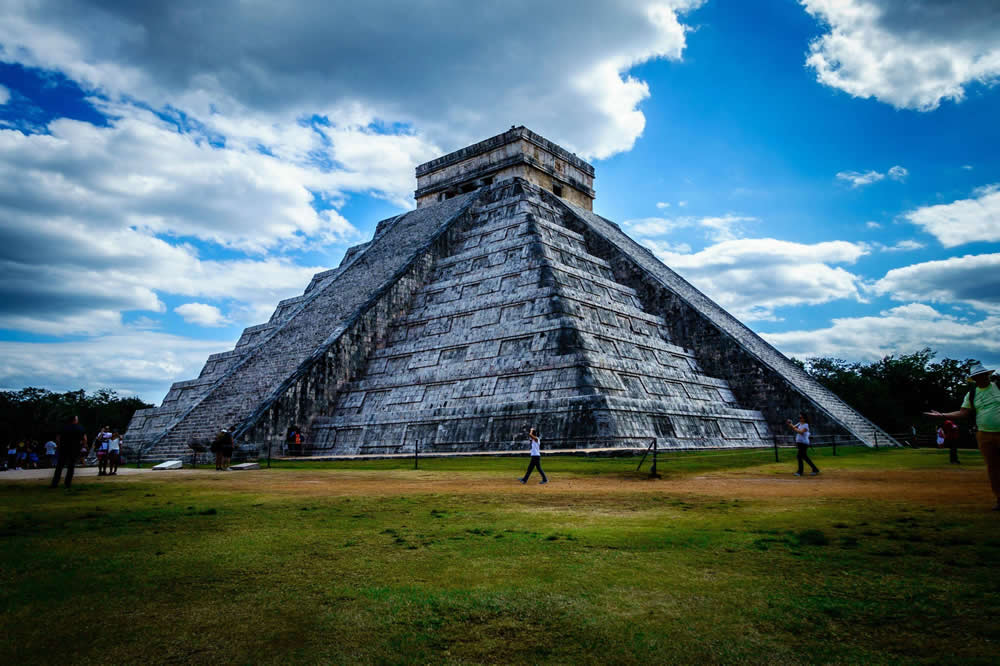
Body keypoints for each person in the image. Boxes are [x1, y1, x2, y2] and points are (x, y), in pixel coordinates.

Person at [925, 362, 1000, 509]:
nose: (980, 379)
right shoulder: (972, 394)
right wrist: (942, 415)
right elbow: (963, 413)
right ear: (974, 379)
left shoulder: (998, 387)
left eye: (982, 375)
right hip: (984, 434)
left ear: (988, 375)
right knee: (993, 468)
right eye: (977, 377)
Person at [51, 415, 86, 488]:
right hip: (74, 449)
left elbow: (58, 438)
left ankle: (55, 483)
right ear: (75, 420)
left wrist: (59, 446)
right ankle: (67, 483)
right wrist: (81, 447)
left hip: (64, 448)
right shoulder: (80, 428)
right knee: (71, 466)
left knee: (59, 466)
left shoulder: (63, 427)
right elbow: (85, 439)